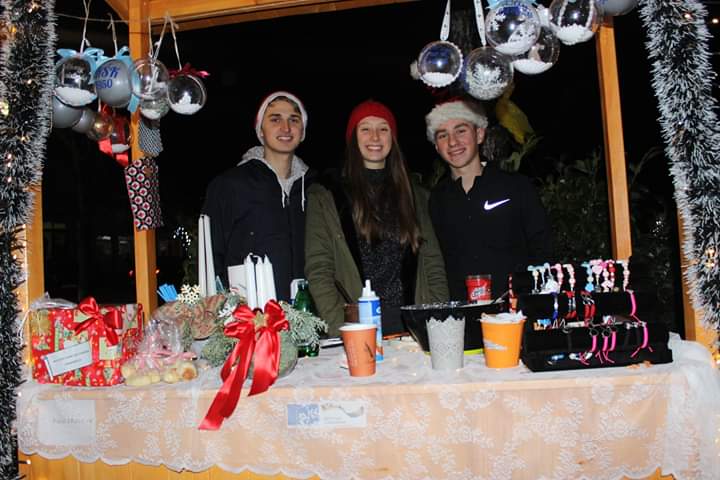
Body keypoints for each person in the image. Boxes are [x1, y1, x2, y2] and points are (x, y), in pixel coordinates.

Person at [305, 100, 448, 336]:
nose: (375, 137)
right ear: (353, 137)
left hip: (412, 329)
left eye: (383, 128)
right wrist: (342, 329)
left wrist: (437, 321)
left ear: (393, 138)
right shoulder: (326, 196)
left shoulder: (415, 195)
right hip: (359, 328)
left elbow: (433, 264)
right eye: (365, 129)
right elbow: (319, 269)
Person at [426, 98, 553, 301]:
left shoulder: (516, 187)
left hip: (515, 311)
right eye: (443, 135)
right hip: (461, 314)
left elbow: (543, 249)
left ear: (479, 134)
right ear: (436, 146)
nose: (452, 142)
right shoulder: (436, 200)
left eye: (461, 131)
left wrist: (534, 300)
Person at [202, 91, 314, 301]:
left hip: (307, 312)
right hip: (252, 314)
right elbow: (212, 257)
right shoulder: (230, 185)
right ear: (261, 130)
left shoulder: (314, 189)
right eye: (275, 119)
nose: (286, 128)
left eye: (294, 119)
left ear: (303, 131)